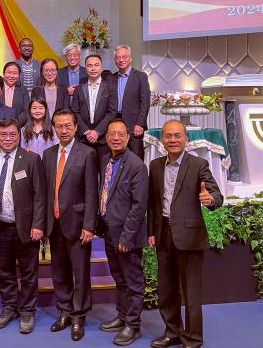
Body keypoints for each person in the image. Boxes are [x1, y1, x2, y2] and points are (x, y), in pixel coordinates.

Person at [148, 120, 223, 348]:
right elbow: (153, 203)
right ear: (162, 140)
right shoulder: (155, 165)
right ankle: (172, 332)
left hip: (189, 236)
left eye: (177, 136)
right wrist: (151, 231)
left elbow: (217, 196)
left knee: (190, 292)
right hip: (163, 234)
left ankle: (192, 337)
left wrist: (210, 200)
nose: (173, 140)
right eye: (168, 136)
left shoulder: (198, 164)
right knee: (166, 289)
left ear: (186, 139)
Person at [0, 118, 45, 334]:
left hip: (26, 227)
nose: (8, 139)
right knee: (4, 271)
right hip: (0, 226)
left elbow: (39, 195)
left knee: (28, 272)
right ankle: (9, 307)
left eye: (12, 135)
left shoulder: (31, 159)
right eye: (4, 135)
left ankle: (27, 311)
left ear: (19, 136)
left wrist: (38, 224)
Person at [43, 108, 98, 341]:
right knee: (59, 271)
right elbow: (45, 192)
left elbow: (91, 192)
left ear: (76, 127)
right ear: (53, 128)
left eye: (67, 126)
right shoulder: (47, 154)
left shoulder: (87, 153)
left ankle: (78, 316)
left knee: (80, 273)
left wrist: (89, 225)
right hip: (54, 224)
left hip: (77, 224)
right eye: (59, 126)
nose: (63, 130)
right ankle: (64, 311)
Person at [97, 118, 148, 346]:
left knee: (133, 282)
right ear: (106, 137)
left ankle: (133, 325)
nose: (116, 138)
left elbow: (139, 206)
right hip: (109, 232)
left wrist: (127, 237)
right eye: (111, 134)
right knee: (119, 280)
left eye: (120, 134)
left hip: (127, 237)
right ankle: (122, 316)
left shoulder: (137, 165)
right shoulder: (105, 160)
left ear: (128, 137)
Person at [71, 54, 117, 158]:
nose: (93, 68)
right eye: (89, 65)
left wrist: (97, 132)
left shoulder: (110, 88)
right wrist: (87, 131)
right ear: (85, 68)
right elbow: (74, 112)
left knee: (104, 170)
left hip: (103, 138)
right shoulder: (79, 89)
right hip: (83, 138)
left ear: (101, 68)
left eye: (96, 65)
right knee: (83, 171)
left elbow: (112, 112)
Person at [109, 45, 151, 160]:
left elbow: (145, 102)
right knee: (117, 157)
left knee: (136, 158)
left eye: (124, 57)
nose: (121, 60)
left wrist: (140, 124)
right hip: (115, 122)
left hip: (134, 125)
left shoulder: (140, 77)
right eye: (118, 57)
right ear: (115, 60)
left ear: (130, 58)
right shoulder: (111, 78)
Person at [0, 61, 30, 127]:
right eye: (9, 72)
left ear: (19, 75)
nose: (12, 76)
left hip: (17, 127)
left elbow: (27, 111)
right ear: (3, 74)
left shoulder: (23, 90)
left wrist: (15, 124)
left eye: (15, 73)